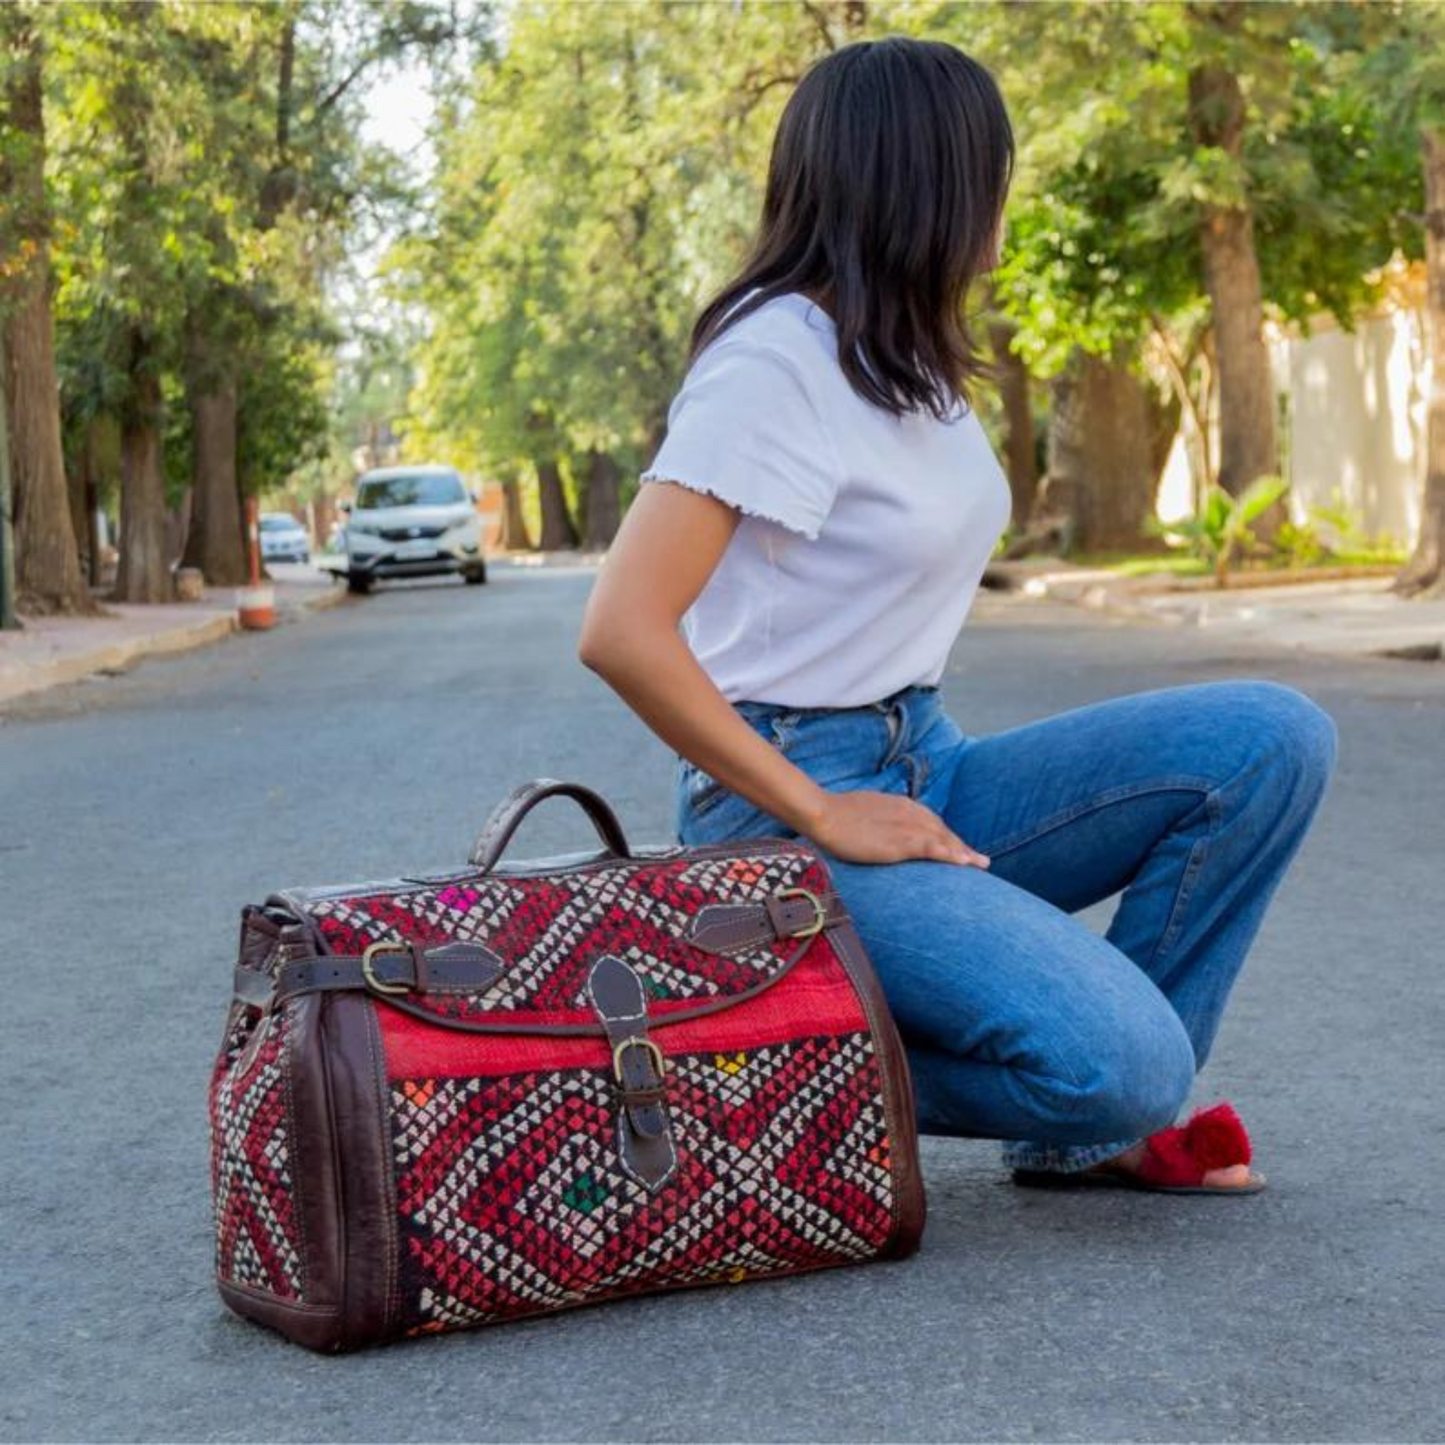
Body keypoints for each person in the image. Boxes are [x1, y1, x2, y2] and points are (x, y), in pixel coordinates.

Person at [577, 36, 1338, 1194]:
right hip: (782, 812)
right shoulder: (774, 359)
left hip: (923, 757)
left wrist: (879, 787)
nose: (1003, 198)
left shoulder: (904, 355)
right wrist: (822, 809)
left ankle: (1087, 1129)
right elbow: (622, 627)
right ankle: (742, 1055)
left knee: (1269, 737)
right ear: (924, 180)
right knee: (1128, 1063)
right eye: (990, 170)